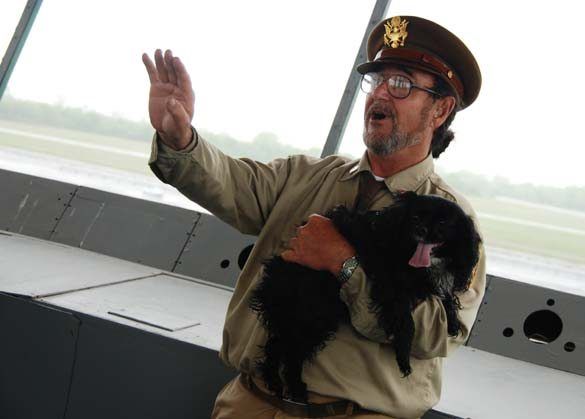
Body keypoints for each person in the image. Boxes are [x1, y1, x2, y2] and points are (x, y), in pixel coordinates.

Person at [143, 15, 486, 419]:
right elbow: (234, 185)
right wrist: (180, 138)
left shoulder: (451, 224)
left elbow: (436, 331)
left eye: (401, 85)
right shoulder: (306, 177)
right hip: (250, 404)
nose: (380, 96)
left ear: (441, 109)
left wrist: (345, 266)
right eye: (376, 82)